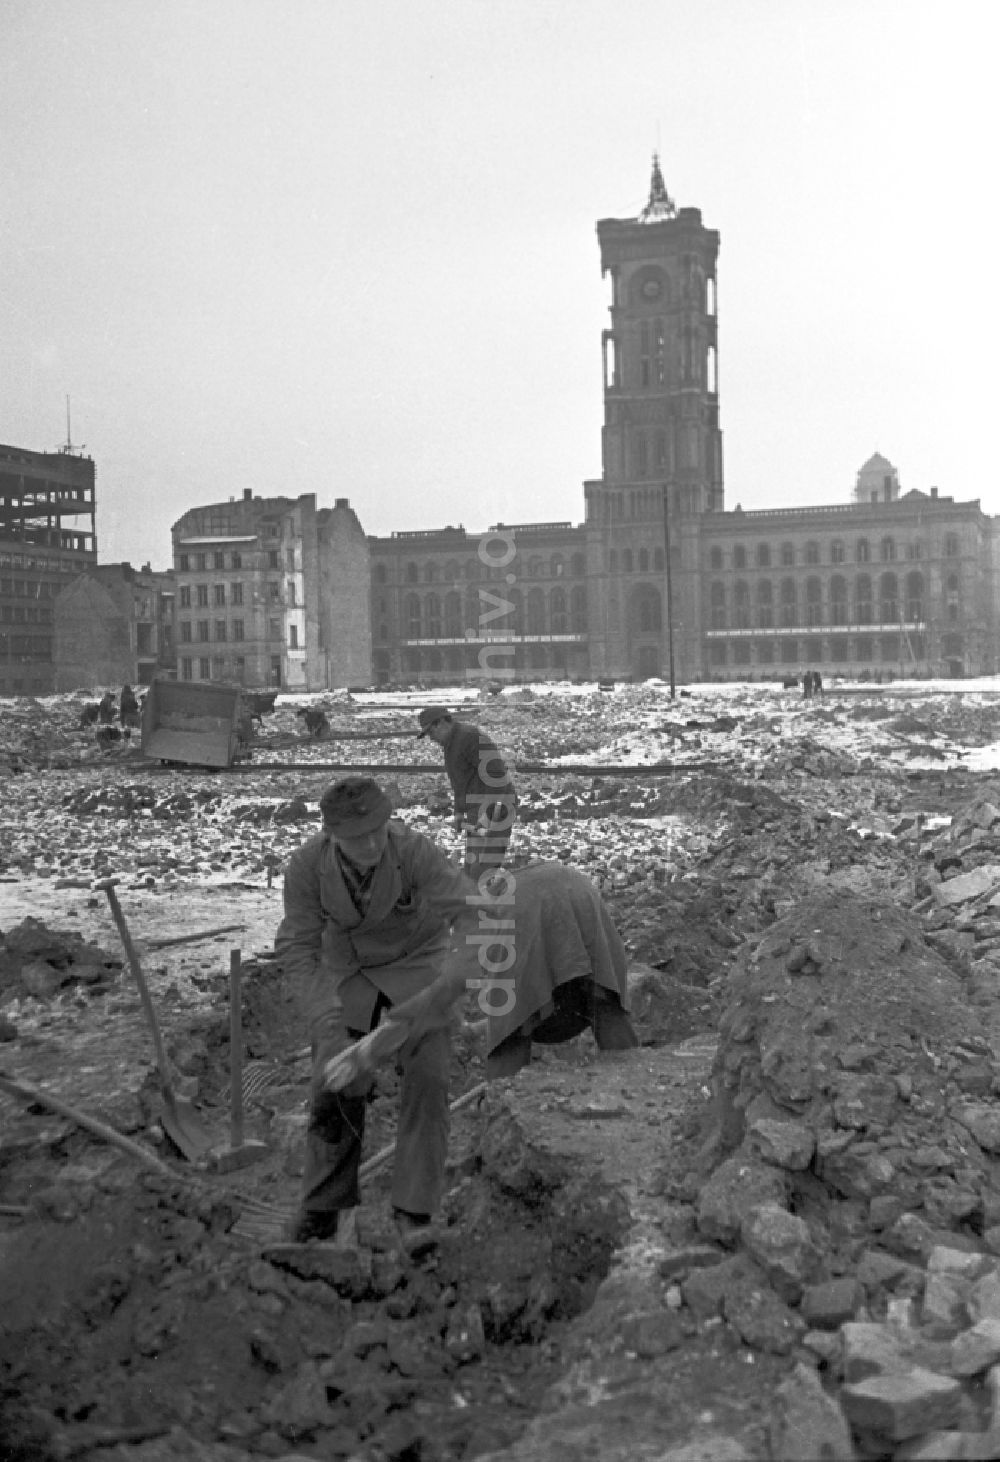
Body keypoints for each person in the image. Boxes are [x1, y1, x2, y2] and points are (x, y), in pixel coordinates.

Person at [274, 775, 480, 1249]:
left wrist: (447, 987)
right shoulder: (307, 867)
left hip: (419, 967)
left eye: (377, 832)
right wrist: (327, 1028)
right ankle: (323, 1210)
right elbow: (299, 948)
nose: (370, 844)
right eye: (355, 838)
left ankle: (414, 1212)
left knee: (429, 1077)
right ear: (331, 836)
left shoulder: (415, 852)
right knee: (335, 1083)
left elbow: (473, 916)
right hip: (351, 975)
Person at [417, 705, 517, 888]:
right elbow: (460, 782)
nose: (430, 738)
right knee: (472, 871)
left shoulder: (469, 737)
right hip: (476, 811)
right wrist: (459, 812)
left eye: (430, 732)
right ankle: (475, 910)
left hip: (496, 809)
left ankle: (489, 912)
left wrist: (489, 816)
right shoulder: (450, 743)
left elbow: (497, 777)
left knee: (483, 872)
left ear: (441, 723)